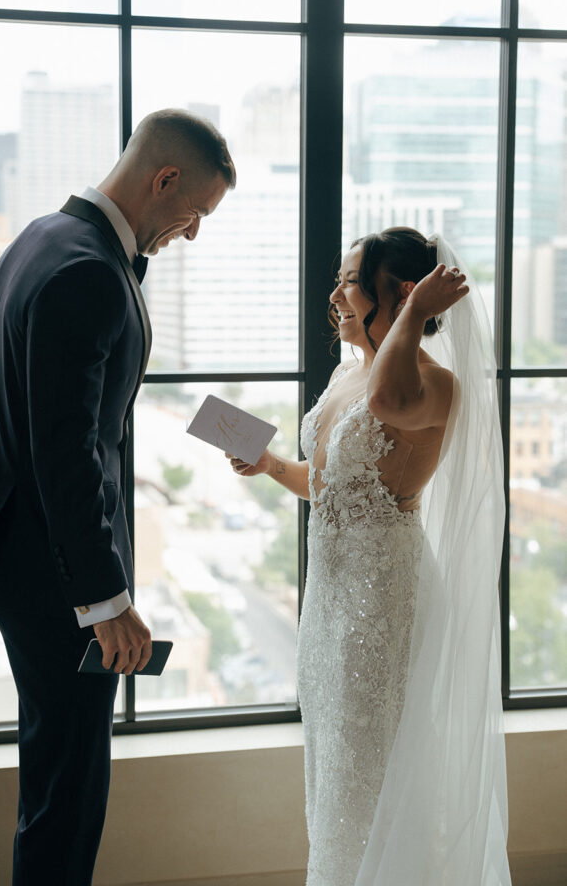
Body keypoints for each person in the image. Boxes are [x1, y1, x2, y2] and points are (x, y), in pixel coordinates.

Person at [0, 109, 236, 886]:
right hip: (50, 572)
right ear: (163, 178)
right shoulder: (89, 271)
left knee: (57, 773)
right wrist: (105, 599)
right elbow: (62, 452)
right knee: (69, 786)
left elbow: (61, 417)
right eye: (195, 213)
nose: (192, 233)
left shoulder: (42, 236)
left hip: (19, 550)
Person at [229, 228, 511, 885]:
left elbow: (389, 403)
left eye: (351, 282)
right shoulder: (344, 375)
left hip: (381, 607)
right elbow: (333, 487)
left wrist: (412, 315)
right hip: (328, 609)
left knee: (371, 771)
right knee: (335, 773)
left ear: (401, 293)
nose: (335, 295)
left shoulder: (436, 386)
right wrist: (270, 463)